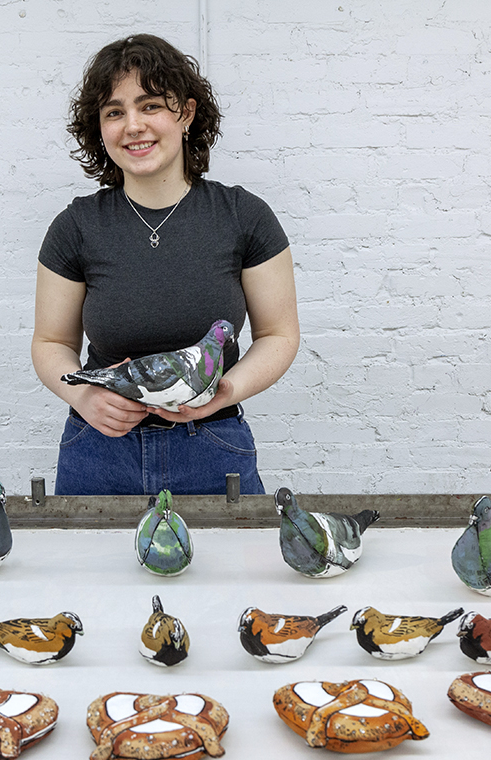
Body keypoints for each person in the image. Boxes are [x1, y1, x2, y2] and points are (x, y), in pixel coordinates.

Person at [31, 33, 299, 496]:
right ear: (101, 128)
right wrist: (84, 396)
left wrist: (226, 391)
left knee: (232, 571)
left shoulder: (244, 217)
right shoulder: (76, 226)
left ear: (187, 114)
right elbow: (50, 341)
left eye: (150, 105)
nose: (133, 124)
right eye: (115, 112)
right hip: (99, 451)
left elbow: (279, 335)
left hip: (213, 448)